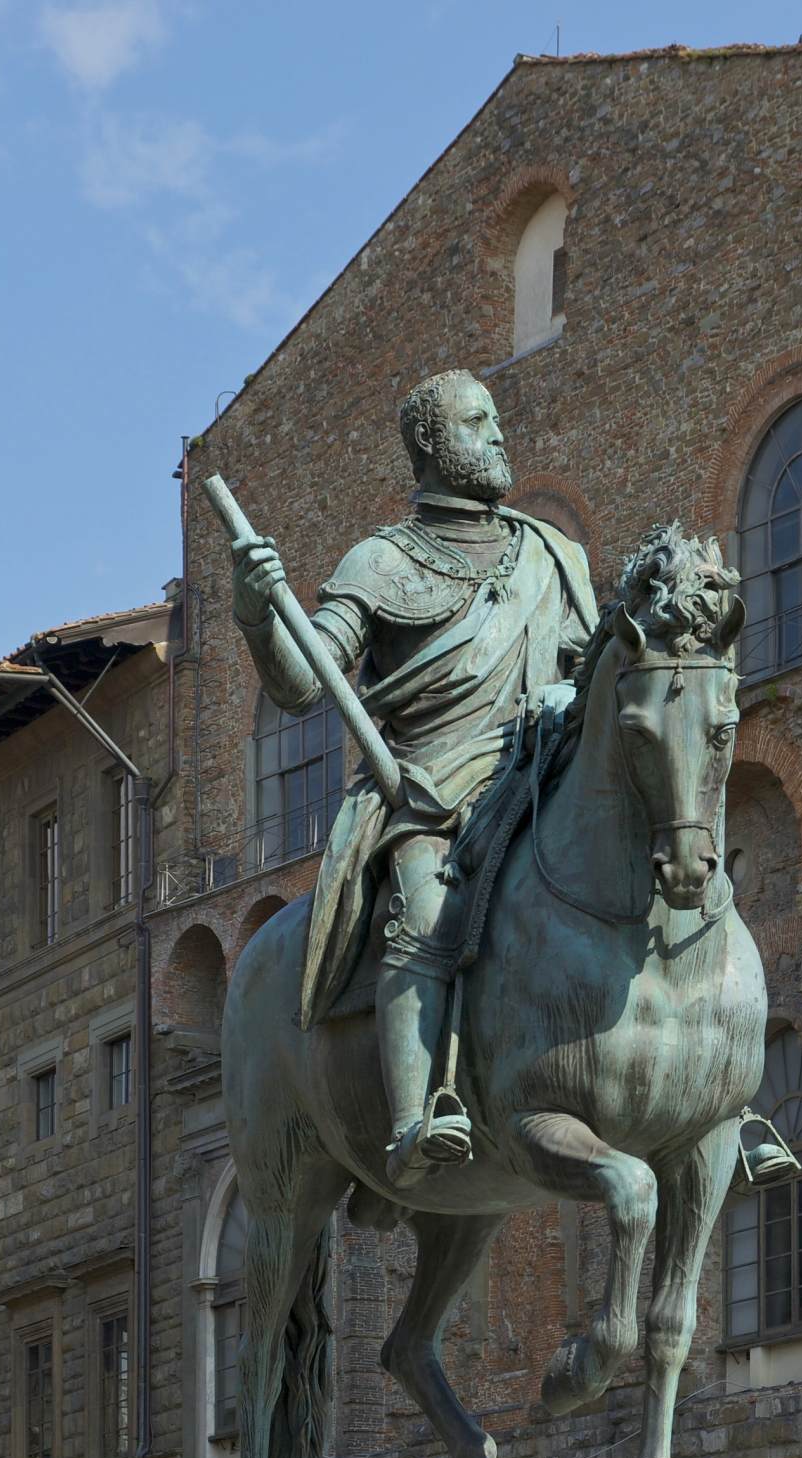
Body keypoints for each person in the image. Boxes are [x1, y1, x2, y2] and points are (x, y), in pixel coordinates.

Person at [232, 367, 597, 1187]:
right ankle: (413, 1117)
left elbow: (597, 663)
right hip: (433, 791)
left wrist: (582, 688)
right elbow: (301, 682)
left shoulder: (553, 554)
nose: (500, 434)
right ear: (431, 446)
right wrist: (258, 614)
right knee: (424, 901)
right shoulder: (382, 562)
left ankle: (718, 1089)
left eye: (498, 419)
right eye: (478, 422)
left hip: (545, 767)